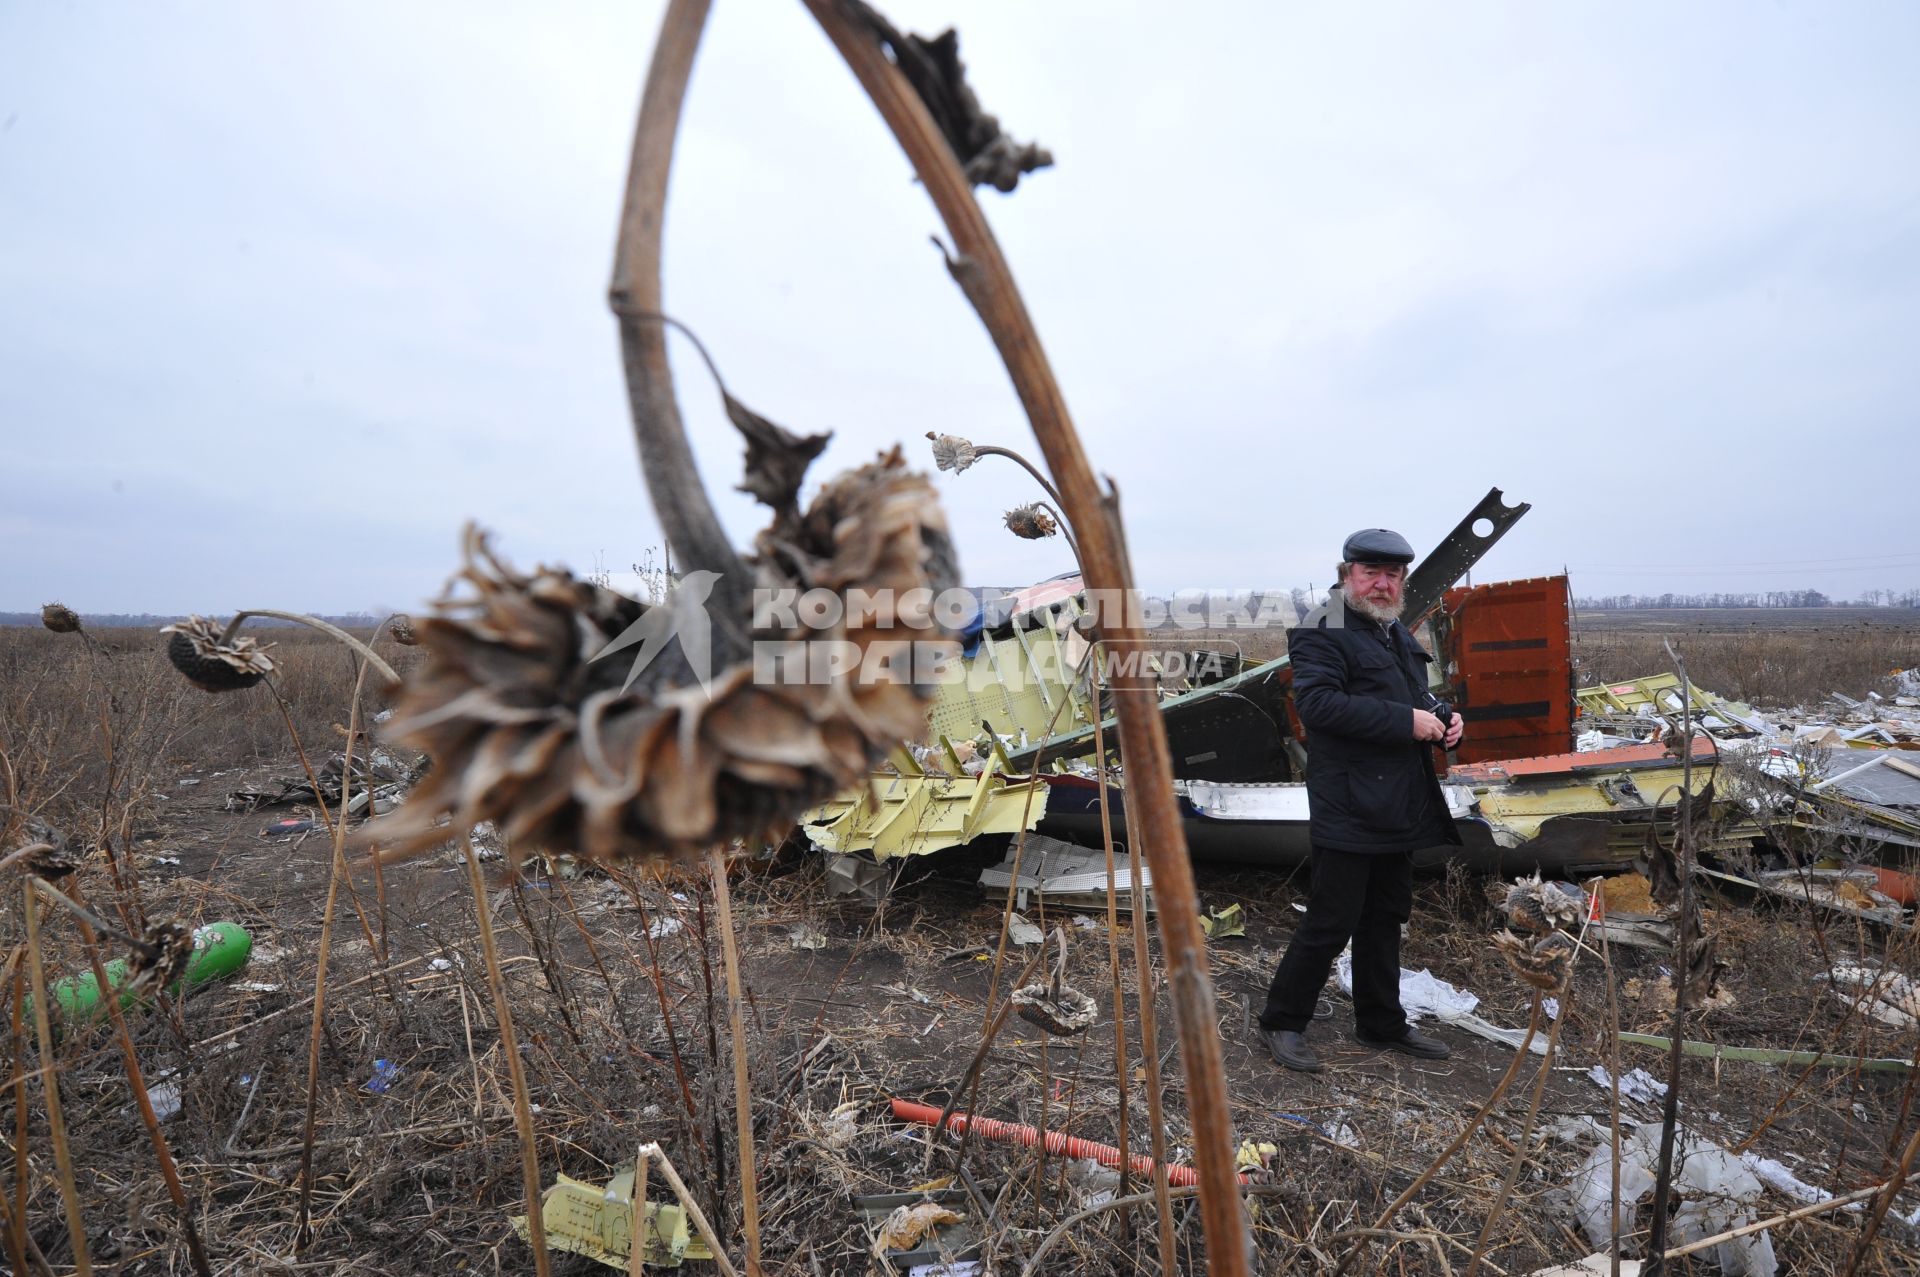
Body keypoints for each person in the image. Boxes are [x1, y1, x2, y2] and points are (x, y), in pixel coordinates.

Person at [1256, 528, 1466, 1073]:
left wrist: (1443, 720)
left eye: (1391, 575)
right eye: (1370, 572)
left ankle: (1381, 1022)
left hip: (1397, 804)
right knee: (1331, 919)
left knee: (1384, 918)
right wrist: (1407, 721)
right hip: (1350, 803)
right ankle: (1282, 1021)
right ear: (1346, 573)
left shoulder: (1391, 630)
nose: (1380, 583)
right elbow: (1320, 707)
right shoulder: (1321, 628)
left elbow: (1412, 696)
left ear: (1402, 581)